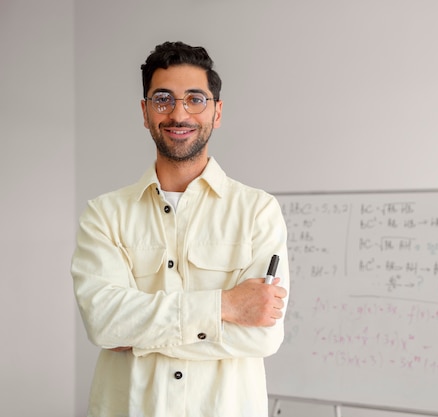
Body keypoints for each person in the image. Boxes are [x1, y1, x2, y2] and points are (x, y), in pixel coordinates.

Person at [71, 41, 289, 417]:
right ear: (145, 111)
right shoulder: (104, 214)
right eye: (163, 99)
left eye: (195, 99)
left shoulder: (258, 211)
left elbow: (263, 335)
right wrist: (226, 306)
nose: (178, 113)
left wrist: (138, 332)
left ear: (217, 112)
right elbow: (104, 323)